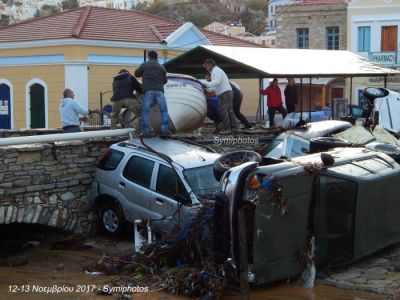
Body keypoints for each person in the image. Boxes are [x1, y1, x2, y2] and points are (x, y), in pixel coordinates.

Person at [134, 50, 169, 137]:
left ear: (149, 56)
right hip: (160, 91)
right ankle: (164, 130)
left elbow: (137, 74)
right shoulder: (161, 67)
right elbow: (165, 81)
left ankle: (146, 132)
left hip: (148, 90)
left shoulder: (145, 64)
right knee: (164, 110)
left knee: (145, 111)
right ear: (157, 57)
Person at [203, 58, 238, 134]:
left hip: (224, 93)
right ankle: (235, 128)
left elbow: (217, 81)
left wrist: (206, 84)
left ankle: (227, 129)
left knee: (223, 112)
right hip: (228, 92)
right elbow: (216, 85)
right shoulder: (217, 71)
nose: (206, 68)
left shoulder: (215, 71)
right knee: (230, 111)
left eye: (206, 66)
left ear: (210, 64)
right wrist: (208, 90)